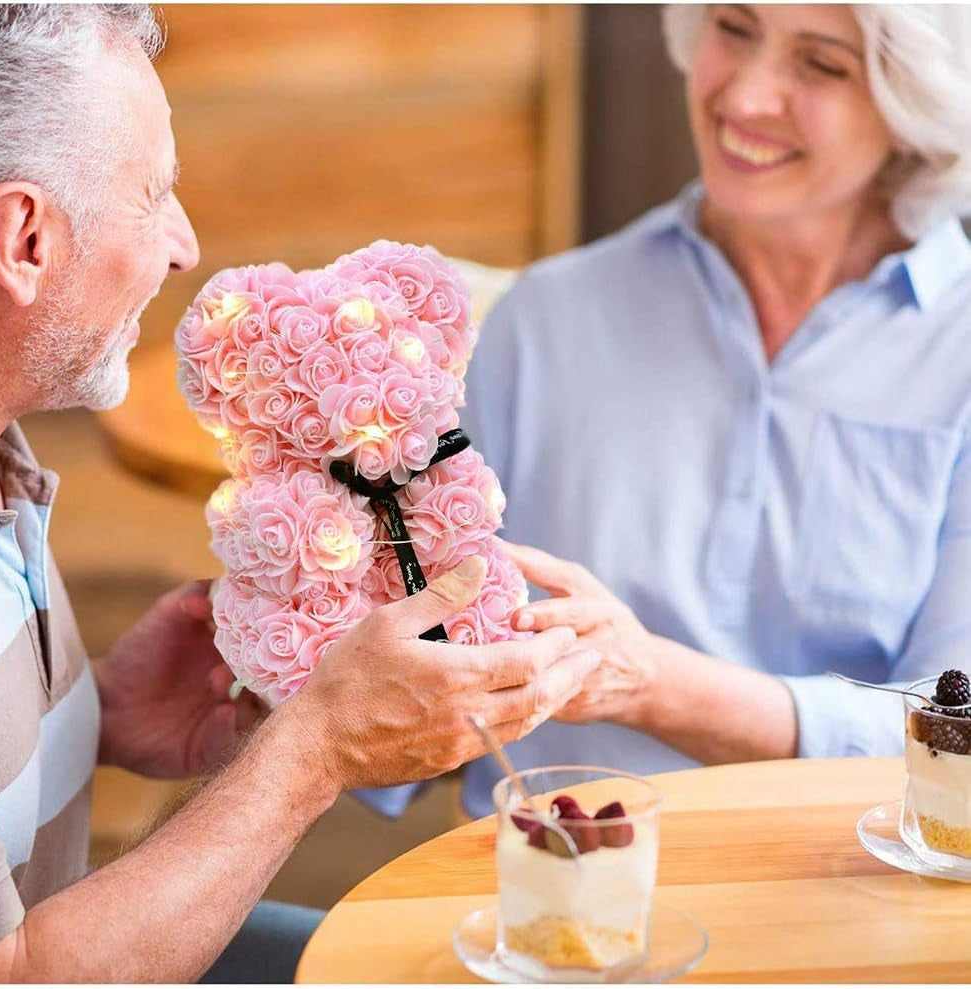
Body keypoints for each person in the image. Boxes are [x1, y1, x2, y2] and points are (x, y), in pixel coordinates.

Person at [0, 6, 595, 982]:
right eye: (152, 195)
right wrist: (316, 747)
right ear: (22, 237)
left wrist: (93, 714)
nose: (184, 246)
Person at [405, 2, 971, 819]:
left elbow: (953, 729)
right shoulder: (548, 319)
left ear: (916, 106)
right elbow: (424, 677)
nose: (744, 97)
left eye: (822, 64)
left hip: (851, 904)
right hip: (551, 903)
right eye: (734, 28)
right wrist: (264, 688)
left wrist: (653, 683)